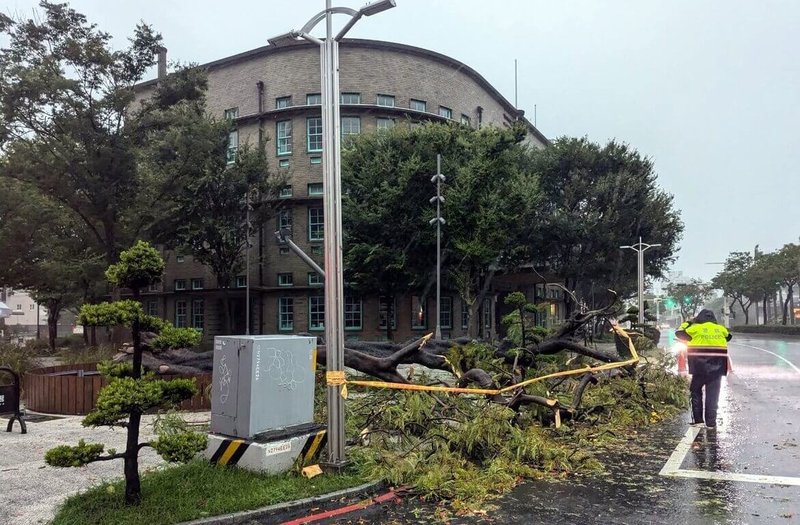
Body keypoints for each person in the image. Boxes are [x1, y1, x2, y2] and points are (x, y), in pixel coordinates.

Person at [675, 309, 731, 428]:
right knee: (713, 395)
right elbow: (728, 337)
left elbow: (679, 332)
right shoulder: (721, 329)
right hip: (717, 368)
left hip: (699, 367)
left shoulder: (695, 329)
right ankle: (711, 423)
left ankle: (699, 421)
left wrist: (689, 322)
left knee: (695, 391)